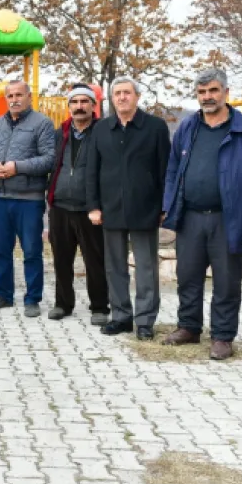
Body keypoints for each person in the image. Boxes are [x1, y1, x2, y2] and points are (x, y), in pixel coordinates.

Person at [161, 69, 242, 360]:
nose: (207, 97)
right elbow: (173, 169)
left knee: (226, 280)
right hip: (191, 216)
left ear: (225, 92)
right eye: (201, 92)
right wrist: (169, 205)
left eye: (212, 91)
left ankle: (222, 336)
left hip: (230, 219)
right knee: (188, 276)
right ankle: (189, 327)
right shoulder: (188, 128)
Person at [86, 77, 170, 340]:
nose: (122, 97)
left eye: (126, 93)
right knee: (115, 267)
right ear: (112, 99)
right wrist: (93, 206)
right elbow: (92, 170)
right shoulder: (101, 129)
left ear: (137, 96)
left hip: (145, 209)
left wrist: (164, 206)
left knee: (146, 268)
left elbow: (165, 169)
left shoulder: (155, 127)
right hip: (110, 209)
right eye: (117, 93)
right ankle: (121, 316)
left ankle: (144, 321)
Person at [0, 80, 56, 318]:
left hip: (28, 199)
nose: (14, 99)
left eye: (19, 95)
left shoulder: (42, 123)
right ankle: (3, 295)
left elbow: (49, 158)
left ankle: (32, 298)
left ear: (29, 97)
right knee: (0, 249)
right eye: (10, 95)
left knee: (31, 250)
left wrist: (17, 167)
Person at [46, 85, 110, 325]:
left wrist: (101, 205)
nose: (80, 106)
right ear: (69, 106)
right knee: (61, 259)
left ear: (93, 106)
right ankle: (63, 304)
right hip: (60, 205)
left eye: (85, 101)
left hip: (90, 208)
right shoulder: (59, 132)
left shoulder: (103, 131)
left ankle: (100, 306)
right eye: (75, 102)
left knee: (95, 260)